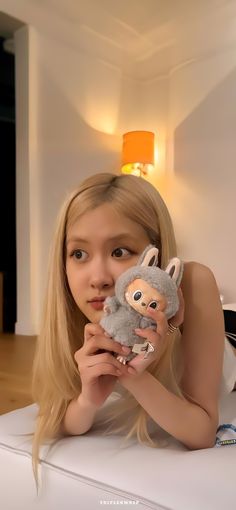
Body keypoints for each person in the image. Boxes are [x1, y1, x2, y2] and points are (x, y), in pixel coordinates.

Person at [32, 171, 227, 477]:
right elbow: (62, 418)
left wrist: (133, 376)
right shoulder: (77, 316)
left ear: (157, 255)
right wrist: (87, 400)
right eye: (79, 253)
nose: (98, 278)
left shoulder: (194, 281)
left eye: (119, 251)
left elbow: (201, 433)